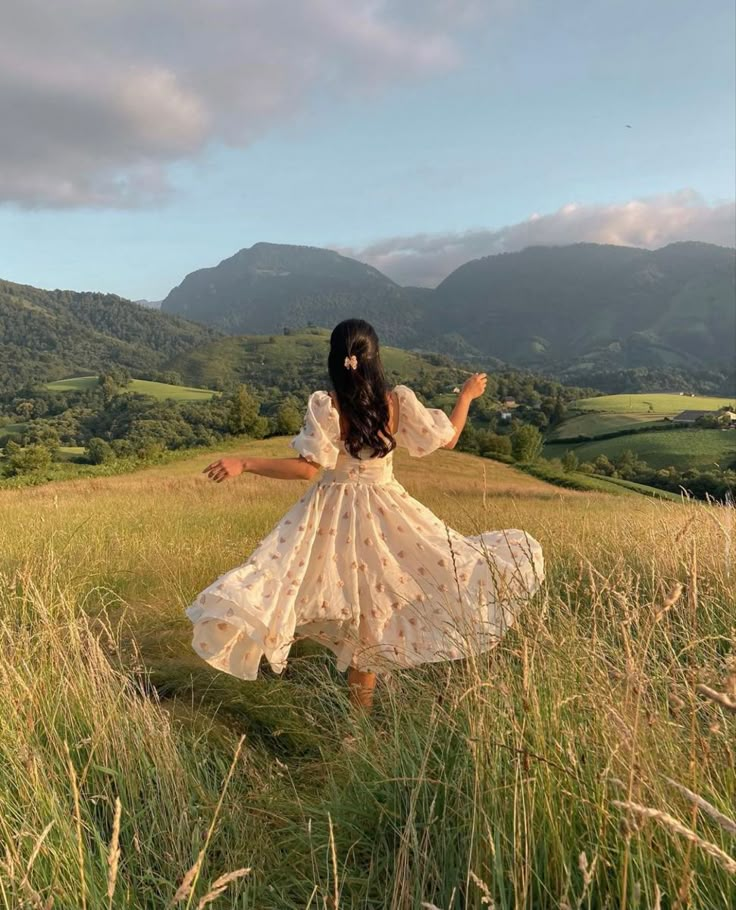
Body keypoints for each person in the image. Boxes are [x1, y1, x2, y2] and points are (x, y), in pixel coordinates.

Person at [187, 319, 544, 709]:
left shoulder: (327, 404)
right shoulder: (397, 402)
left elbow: (308, 468)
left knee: (289, 582)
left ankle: (310, 675)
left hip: (329, 515)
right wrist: (467, 396)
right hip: (385, 511)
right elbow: (449, 438)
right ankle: (358, 720)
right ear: (374, 359)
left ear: (335, 359)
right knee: (375, 605)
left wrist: (245, 462)